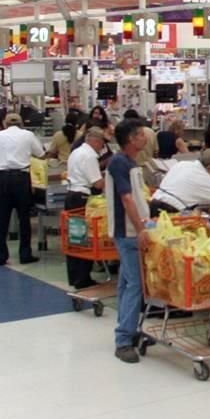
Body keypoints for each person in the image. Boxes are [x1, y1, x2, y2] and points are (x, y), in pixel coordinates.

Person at [105, 119, 150, 364]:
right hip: (129, 233)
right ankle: (124, 340)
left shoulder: (130, 163)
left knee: (126, 284)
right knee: (135, 285)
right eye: (142, 134)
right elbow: (127, 200)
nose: (145, 138)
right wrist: (142, 229)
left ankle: (127, 326)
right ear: (132, 139)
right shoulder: (120, 163)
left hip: (132, 231)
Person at [0, 113, 45, 266]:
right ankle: (25, 254)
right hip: (21, 178)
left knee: (2, 218)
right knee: (24, 218)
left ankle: (1, 255)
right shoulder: (28, 135)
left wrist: (0, 167)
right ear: (22, 123)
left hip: (3, 178)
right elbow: (41, 154)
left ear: (5, 124)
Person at [64, 127, 106, 290]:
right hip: (81, 198)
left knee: (74, 238)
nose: (102, 147)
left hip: (71, 195)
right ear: (95, 140)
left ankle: (75, 276)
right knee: (84, 239)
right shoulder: (89, 156)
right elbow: (97, 183)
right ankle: (83, 277)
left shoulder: (76, 152)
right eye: (101, 143)